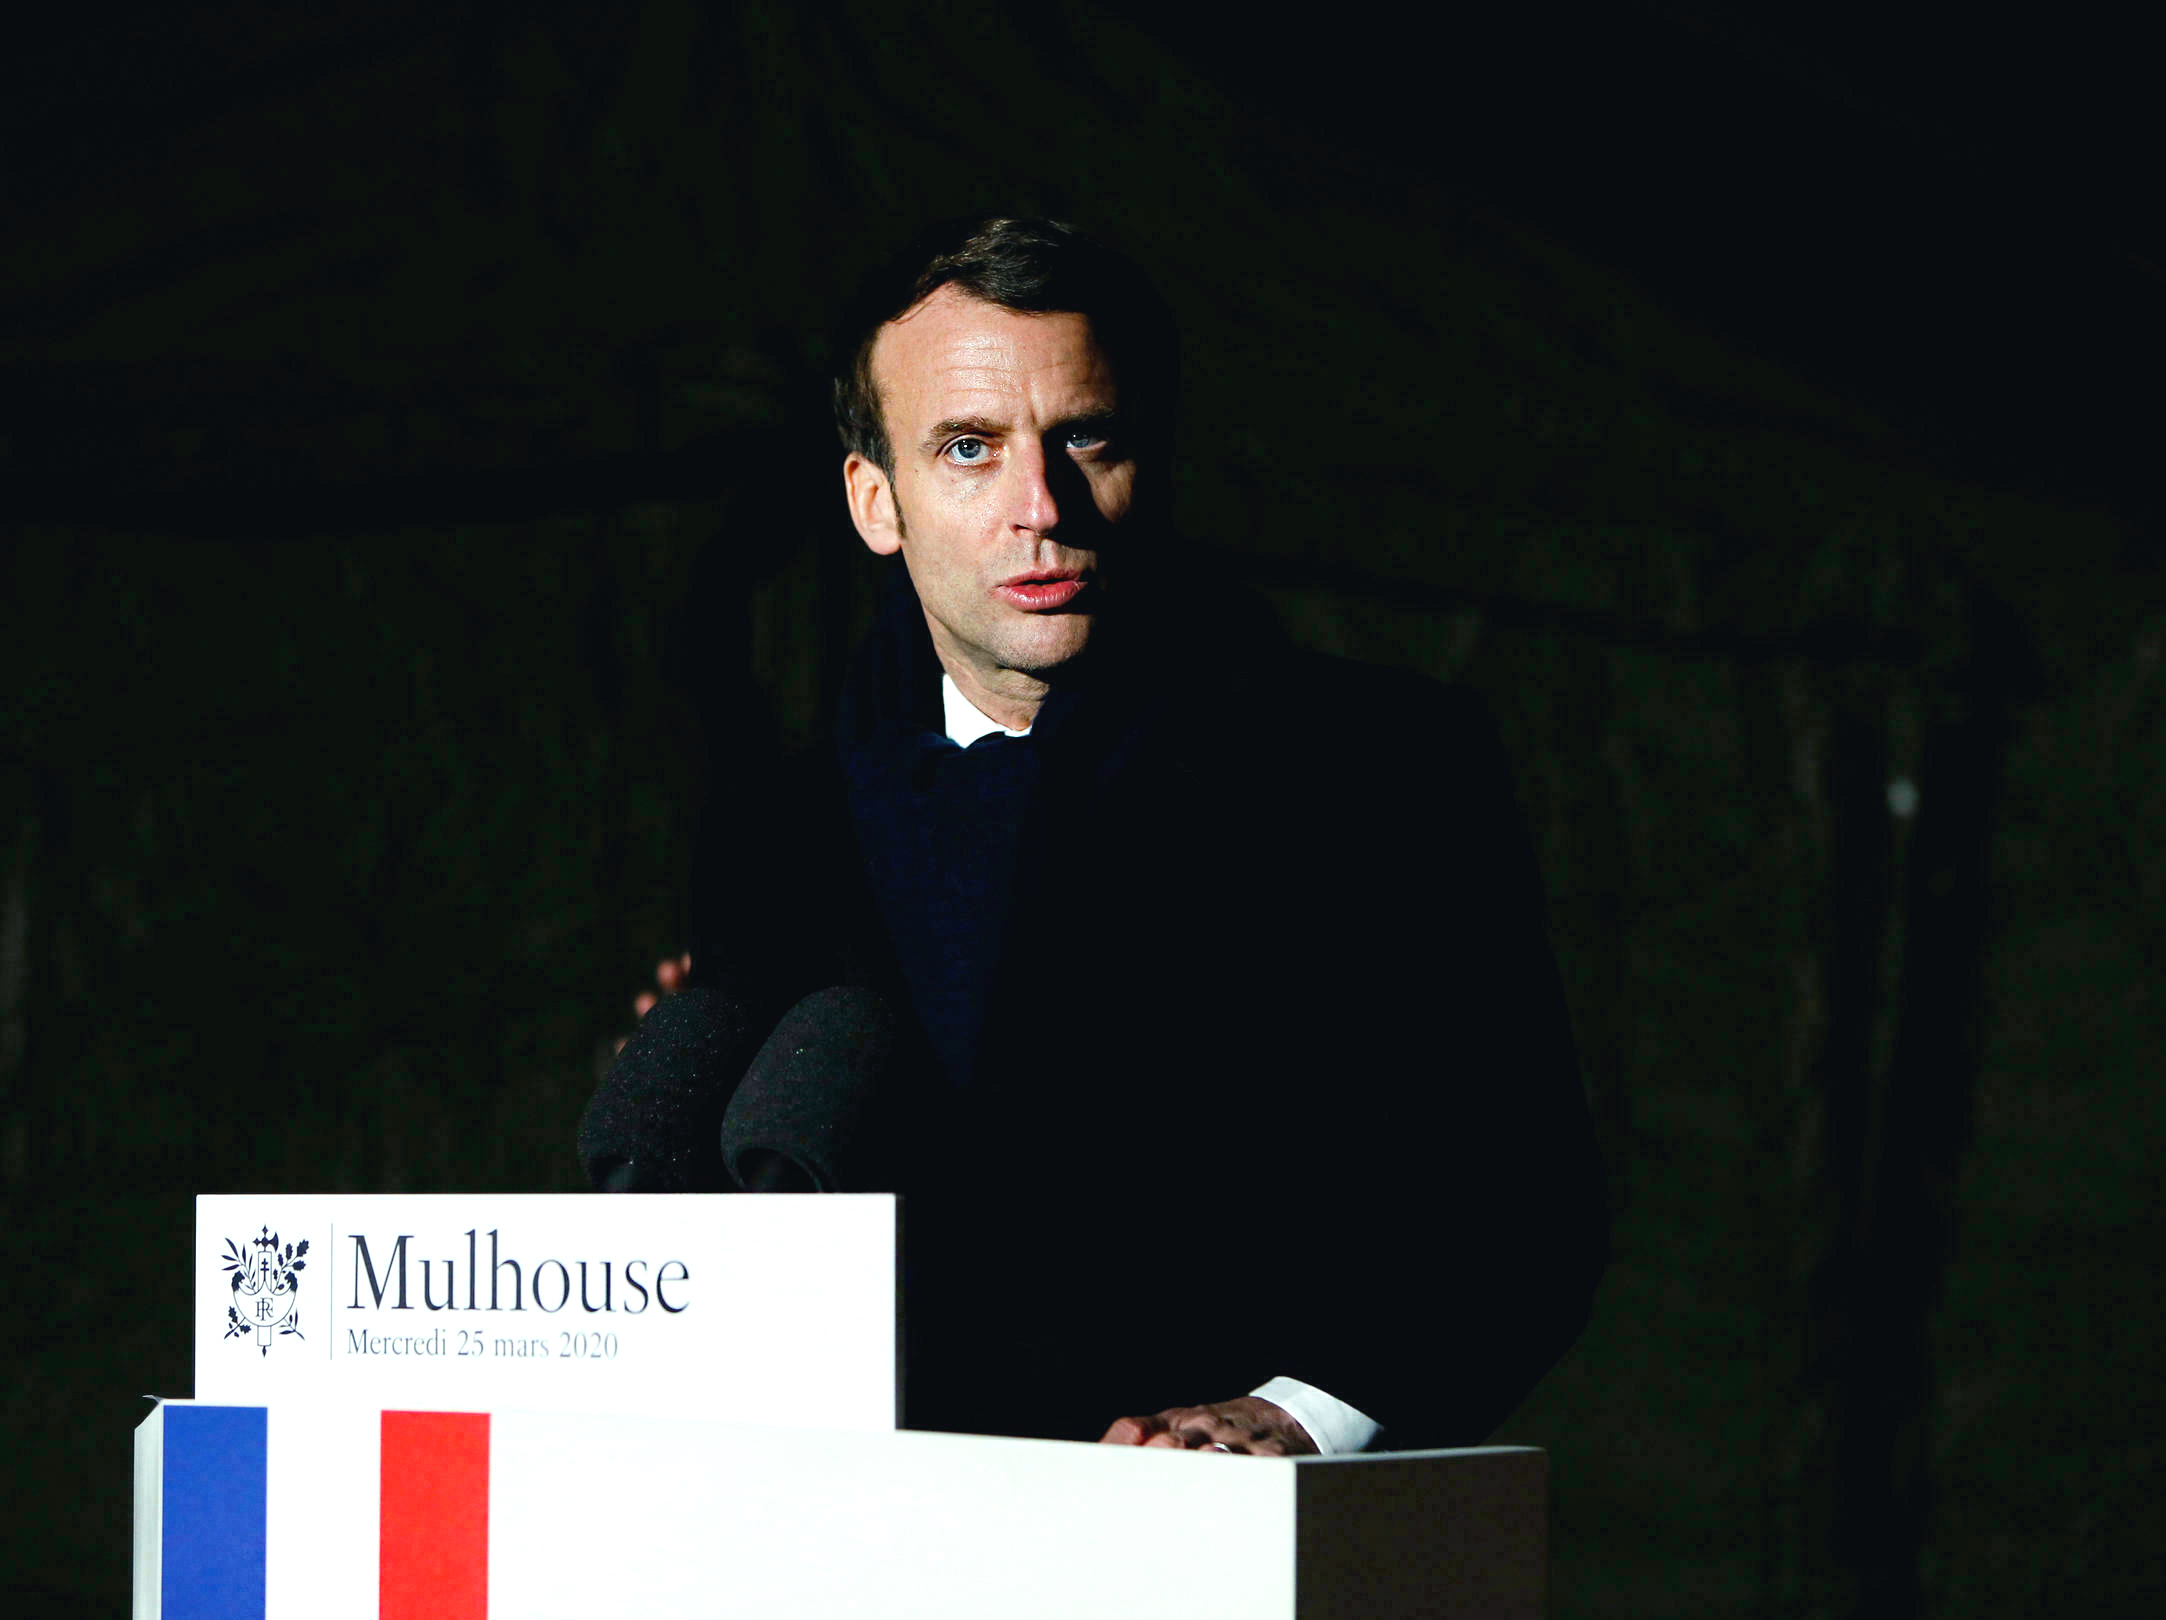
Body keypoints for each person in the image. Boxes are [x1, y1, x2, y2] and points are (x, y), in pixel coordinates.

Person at [626, 216, 1605, 1455]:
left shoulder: (1384, 769)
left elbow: (1518, 1202)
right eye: (969, 448)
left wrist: (1298, 1417)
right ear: (875, 501)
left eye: (1085, 438)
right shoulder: (782, 826)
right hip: (875, 1524)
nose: (1041, 507)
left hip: (1223, 1541)